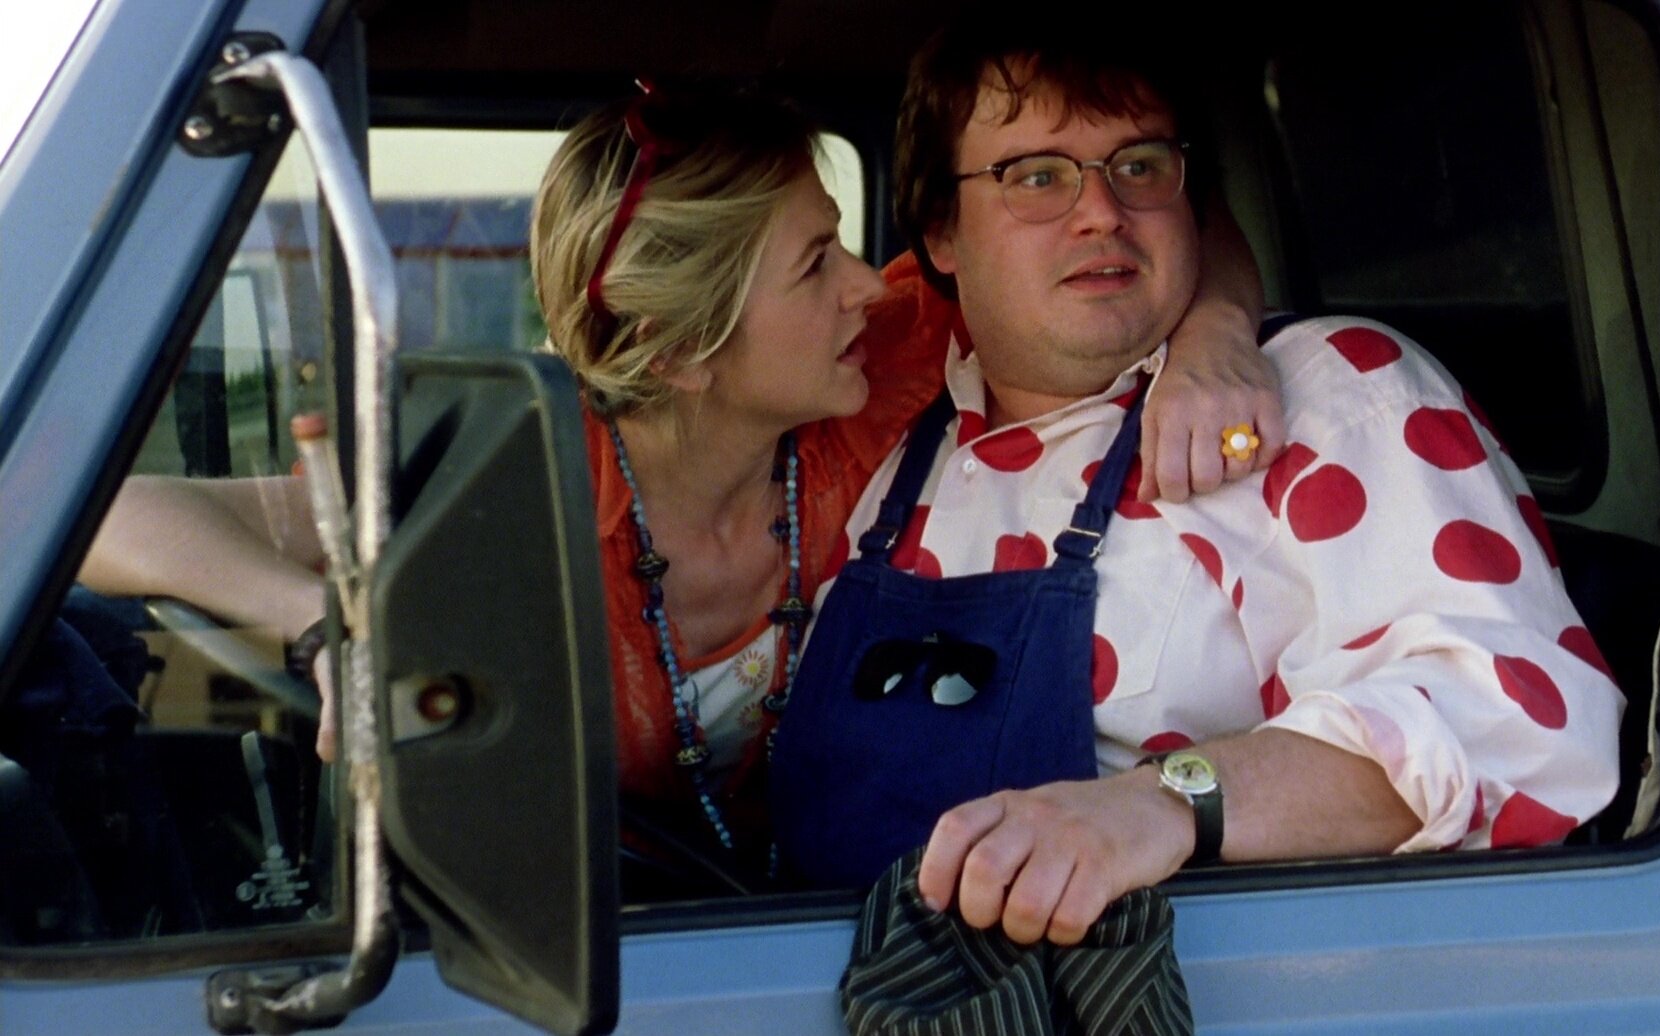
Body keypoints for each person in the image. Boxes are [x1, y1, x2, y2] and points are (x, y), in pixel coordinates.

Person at [77, 86, 1284, 881]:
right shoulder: (507, 486)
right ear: (680, 352)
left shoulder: (884, 363)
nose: (868, 282)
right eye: (815, 263)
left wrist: (1220, 335)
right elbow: (87, 514)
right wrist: (329, 627)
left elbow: (1165, 238)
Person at [767, 18, 1625, 941]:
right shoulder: (890, 437)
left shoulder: (1332, 395)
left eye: (1139, 166)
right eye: (1038, 178)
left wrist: (1166, 804)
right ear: (941, 232)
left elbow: (1521, 722)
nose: (1101, 212)